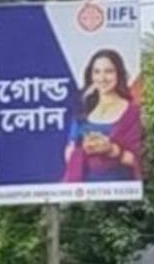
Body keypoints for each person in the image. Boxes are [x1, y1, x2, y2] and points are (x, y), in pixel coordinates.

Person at [62, 49, 144, 182]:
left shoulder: (132, 112)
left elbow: (139, 160)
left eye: (109, 71)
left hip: (119, 190)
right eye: (97, 72)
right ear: (91, 75)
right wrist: (84, 148)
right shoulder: (83, 109)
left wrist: (112, 150)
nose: (102, 78)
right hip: (84, 191)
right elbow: (68, 153)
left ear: (119, 74)